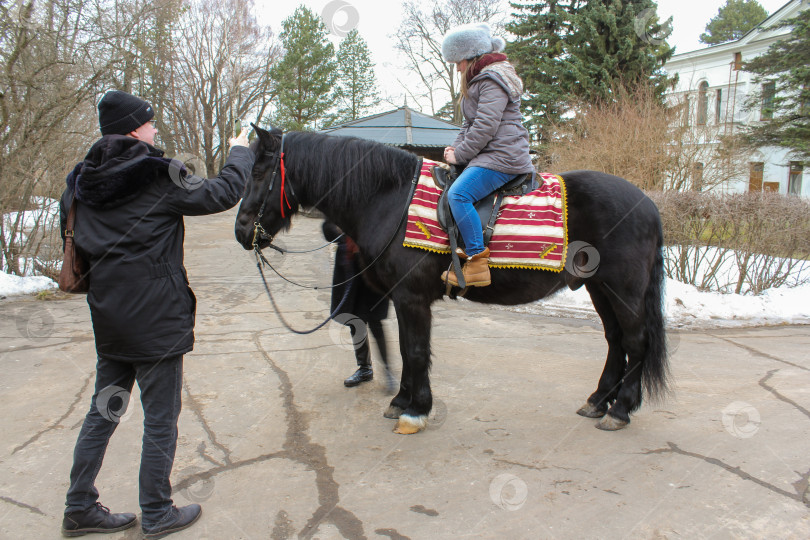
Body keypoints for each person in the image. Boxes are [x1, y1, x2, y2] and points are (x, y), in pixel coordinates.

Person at [60, 90, 253, 538]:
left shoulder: (79, 182)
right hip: (156, 320)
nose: (155, 130)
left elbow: (75, 242)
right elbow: (222, 193)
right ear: (133, 129)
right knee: (161, 418)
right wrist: (240, 151)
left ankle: (78, 506)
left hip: (109, 317)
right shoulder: (157, 174)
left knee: (103, 412)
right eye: (149, 123)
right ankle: (158, 511)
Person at [439, 23, 535, 287]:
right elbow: (469, 124)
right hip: (490, 153)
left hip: (503, 157)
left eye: (458, 61)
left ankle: (476, 263)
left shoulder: (493, 80)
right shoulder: (479, 81)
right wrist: (455, 151)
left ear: (471, 57)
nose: (456, 67)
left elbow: (486, 126)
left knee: (458, 194)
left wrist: (461, 156)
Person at [323, 221, 397, 393]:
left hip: (373, 267)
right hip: (349, 268)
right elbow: (327, 228)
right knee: (355, 320)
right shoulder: (340, 200)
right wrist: (344, 236)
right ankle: (364, 368)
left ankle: (387, 371)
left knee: (376, 322)